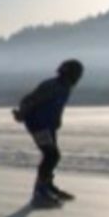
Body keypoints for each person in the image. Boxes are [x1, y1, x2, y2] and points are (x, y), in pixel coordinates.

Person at [13, 59, 84, 206]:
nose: (76, 79)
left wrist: (56, 122)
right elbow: (29, 100)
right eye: (76, 75)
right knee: (51, 155)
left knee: (52, 155)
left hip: (48, 126)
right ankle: (41, 189)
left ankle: (47, 185)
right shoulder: (53, 86)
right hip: (38, 125)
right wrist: (22, 114)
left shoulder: (64, 87)